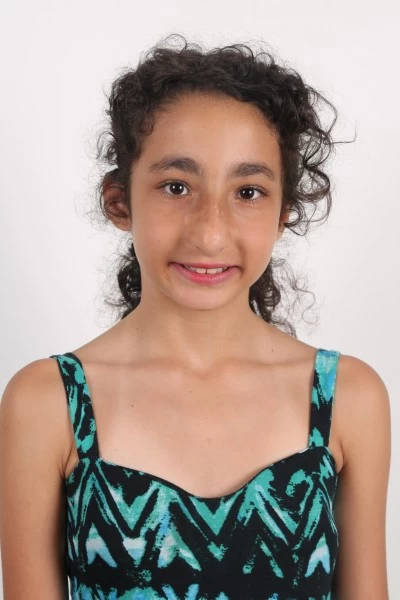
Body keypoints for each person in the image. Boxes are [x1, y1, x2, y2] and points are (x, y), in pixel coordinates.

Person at [0, 34, 391, 600]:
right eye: (176, 186)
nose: (210, 233)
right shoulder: (48, 404)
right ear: (119, 200)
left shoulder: (347, 398)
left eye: (248, 192)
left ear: (285, 211)